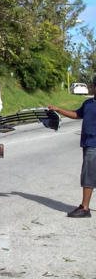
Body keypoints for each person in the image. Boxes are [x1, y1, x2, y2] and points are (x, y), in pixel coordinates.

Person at [48, 77, 96, 218]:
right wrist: (58, 109)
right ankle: (85, 207)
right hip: (88, 143)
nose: (92, 88)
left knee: (88, 176)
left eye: (93, 85)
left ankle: (85, 208)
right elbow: (76, 114)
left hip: (94, 145)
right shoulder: (88, 103)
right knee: (89, 175)